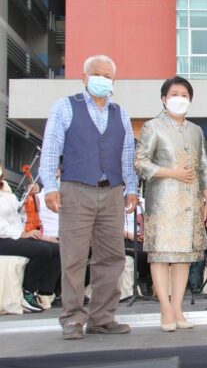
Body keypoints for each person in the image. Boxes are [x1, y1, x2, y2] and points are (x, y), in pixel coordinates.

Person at [40, 55, 138, 339]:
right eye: (96, 73)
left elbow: (127, 155)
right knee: (74, 257)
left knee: (112, 257)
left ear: (114, 81)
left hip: (112, 191)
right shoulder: (65, 106)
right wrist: (50, 186)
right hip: (76, 189)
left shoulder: (121, 113)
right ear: (84, 77)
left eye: (107, 75)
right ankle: (72, 319)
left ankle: (102, 318)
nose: (101, 79)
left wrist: (131, 188)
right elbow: (50, 149)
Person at [135, 76, 207, 332]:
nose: (179, 99)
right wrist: (171, 173)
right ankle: (165, 310)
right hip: (162, 201)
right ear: (164, 99)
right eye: (174, 94)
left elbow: (204, 167)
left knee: (183, 258)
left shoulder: (196, 130)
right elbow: (140, 162)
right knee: (160, 256)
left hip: (191, 202)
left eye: (184, 95)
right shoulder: (152, 127)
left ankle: (178, 308)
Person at [0, 163, 61, 313]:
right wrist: (23, 234)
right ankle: (28, 292)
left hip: (13, 235)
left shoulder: (6, 191)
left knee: (56, 248)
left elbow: (19, 211)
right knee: (42, 250)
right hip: (4, 237)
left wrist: (29, 195)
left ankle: (45, 292)